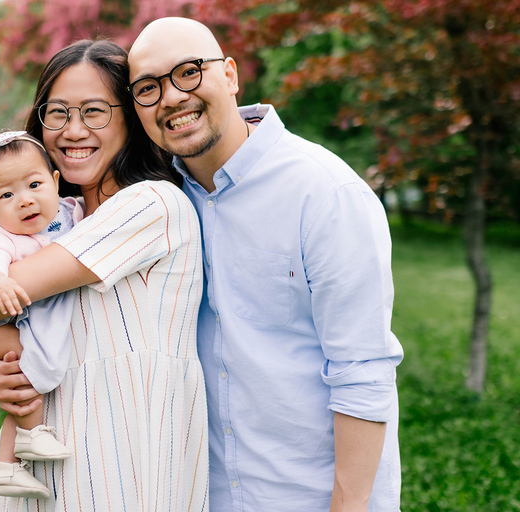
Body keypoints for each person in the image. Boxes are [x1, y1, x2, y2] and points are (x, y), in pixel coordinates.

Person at [126, 17, 404, 512]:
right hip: (199, 494)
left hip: (310, 497)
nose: (170, 97)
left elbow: (363, 370)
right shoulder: (157, 205)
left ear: (230, 75)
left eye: (188, 72)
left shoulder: (323, 192)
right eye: (148, 88)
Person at [0, 39, 209, 512]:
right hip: (51, 446)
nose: (73, 130)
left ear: (130, 116)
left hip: (123, 450)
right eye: (58, 112)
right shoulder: (57, 222)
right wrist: (12, 366)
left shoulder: (151, 204)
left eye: (94, 111)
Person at [0, 129, 84, 499]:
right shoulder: (0, 235)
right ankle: (30, 434)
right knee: (28, 361)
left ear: (56, 182)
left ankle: (7, 466)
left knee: (25, 368)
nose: (25, 201)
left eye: (35, 185)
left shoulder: (69, 213)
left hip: (32, 319)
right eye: (7, 195)